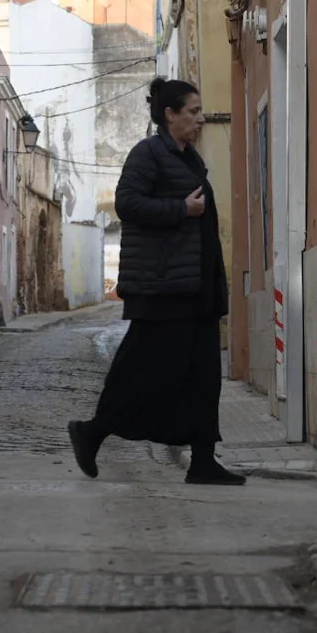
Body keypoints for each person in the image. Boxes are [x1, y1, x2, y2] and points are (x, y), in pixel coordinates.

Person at [68, 78, 245, 486]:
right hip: (163, 288)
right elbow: (127, 203)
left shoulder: (187, 157)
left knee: (203, 375)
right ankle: (92, 431)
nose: (200, 119)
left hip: (194, 287)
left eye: (200, 112)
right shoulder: (148, 153)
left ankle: (203, 461)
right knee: (144, 371)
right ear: (169, 114)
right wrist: (180, 208)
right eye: (193, 112)